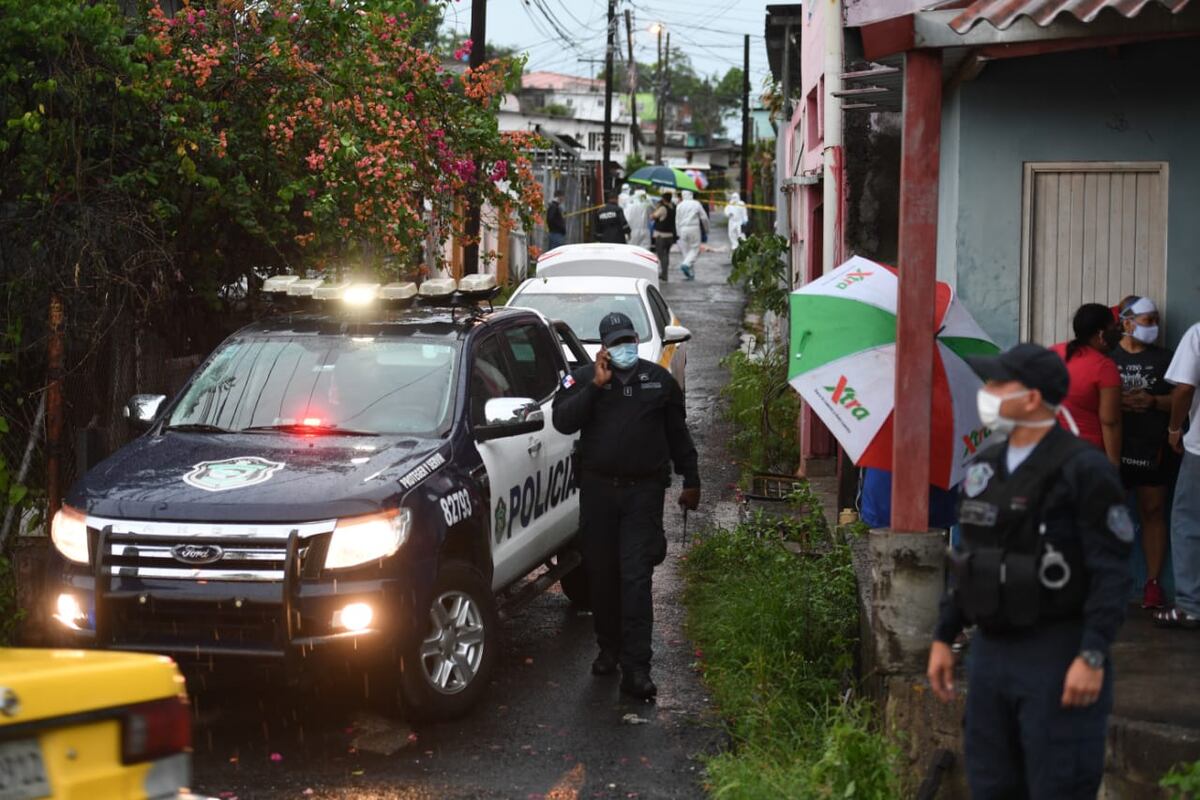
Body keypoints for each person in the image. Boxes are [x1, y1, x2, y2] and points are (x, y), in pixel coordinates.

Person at [927, 343, 1132, 798]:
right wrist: (944, 635)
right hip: (992, 652)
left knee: (1056, 784)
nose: (989, 392)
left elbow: (1111, 573)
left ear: (1033, 397)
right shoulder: (983, 467)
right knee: (991, 783)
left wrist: (1092, 654)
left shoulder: (1084, 470)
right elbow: (968, 562)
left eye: (1000, 384)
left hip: (1057, 651)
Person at [552, 311, 700, 700]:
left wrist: (692, 479)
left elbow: (678, 434)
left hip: (642, 494)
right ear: (604, 348)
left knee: (635, 579)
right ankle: (609, 648)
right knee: (601, 576)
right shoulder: (584, 379)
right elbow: (563, 421)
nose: (625, 349)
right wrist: (595, 388)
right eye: (616, 343)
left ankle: (637, 669)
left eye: (629, 340)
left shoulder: (659, 381)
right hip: (598, 494)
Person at [1111, 296, 1176, 609]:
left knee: (1153, 511)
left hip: (1154, 449)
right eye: (1148, 320)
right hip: (1115, 449)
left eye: (1155, 320)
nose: (1154, 327)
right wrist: (1116, 404)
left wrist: (1153, 401)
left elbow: (1183, 399)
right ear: (1126, 322)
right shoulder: (1107, 359)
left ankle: (1152, 583)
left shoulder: (1166, 359)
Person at [1156, 320, 1200, 628]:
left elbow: (1184, 388)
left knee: (1188, 522)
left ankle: (1190, 605)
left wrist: (1174, 428)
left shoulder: (1199, 333)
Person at [1050, 303, 1123, 465]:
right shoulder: (1104, 367)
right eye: (1114, 327)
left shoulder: (1054, 351)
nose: (1117, 332)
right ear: (1101, 334)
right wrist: (1113, 465)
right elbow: (1110, 422)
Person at [674, 190, 708, 281]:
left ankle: (690, 273)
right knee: (695, 249)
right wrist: (706, 229)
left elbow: (677, 221)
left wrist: (678, 233)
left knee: (686, 251)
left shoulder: (679, 205)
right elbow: (704, 218)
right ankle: (686, 265)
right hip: (694, 228)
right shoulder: (696, 204)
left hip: (682, 229)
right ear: (691, 195)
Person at [651, 191, 676, 282]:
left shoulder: (662, 208)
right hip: (670, 235)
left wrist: (656, 207)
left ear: (663, 199)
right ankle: (664, 273)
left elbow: (653, 216)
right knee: (666, 255)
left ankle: (664, 274)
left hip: (661, 236)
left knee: (662, 256)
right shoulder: (673, 207)